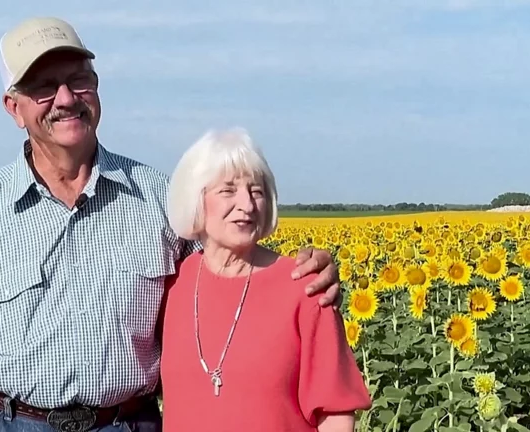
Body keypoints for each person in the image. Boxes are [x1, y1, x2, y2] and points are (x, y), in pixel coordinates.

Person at [0, 17, 343, 432]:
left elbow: (227, 281)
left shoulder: (159, 199)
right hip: (3, 419)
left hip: (124, 422)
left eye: (79, 80)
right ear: (13, 108)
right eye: (43, 88)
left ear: (96, 88)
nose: (66, 99)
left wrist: (301, 273)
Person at [158, 128, 371, 431]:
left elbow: (334, 412)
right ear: (196, 199)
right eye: (228, 190)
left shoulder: (305, 286)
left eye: (256, 191)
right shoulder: (175, 283)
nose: (247, 204)